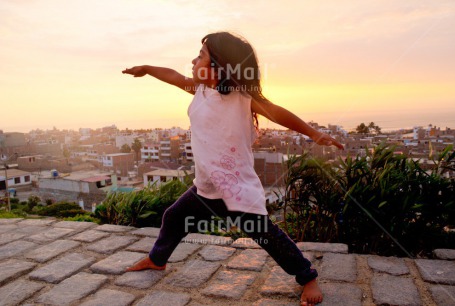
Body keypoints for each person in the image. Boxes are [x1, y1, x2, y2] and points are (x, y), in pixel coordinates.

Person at [122, 31, 344, 306]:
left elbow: (278, 112)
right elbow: (172, 75)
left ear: (219, 66)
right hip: (206, 187)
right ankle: (157, 260)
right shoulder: (199, 89)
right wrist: (146, 69)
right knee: (174, 216)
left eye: (201, 56)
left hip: (236, 188)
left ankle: (307, 277)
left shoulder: (242, 97)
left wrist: (313, 133)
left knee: (266, 235)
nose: (193, 60)